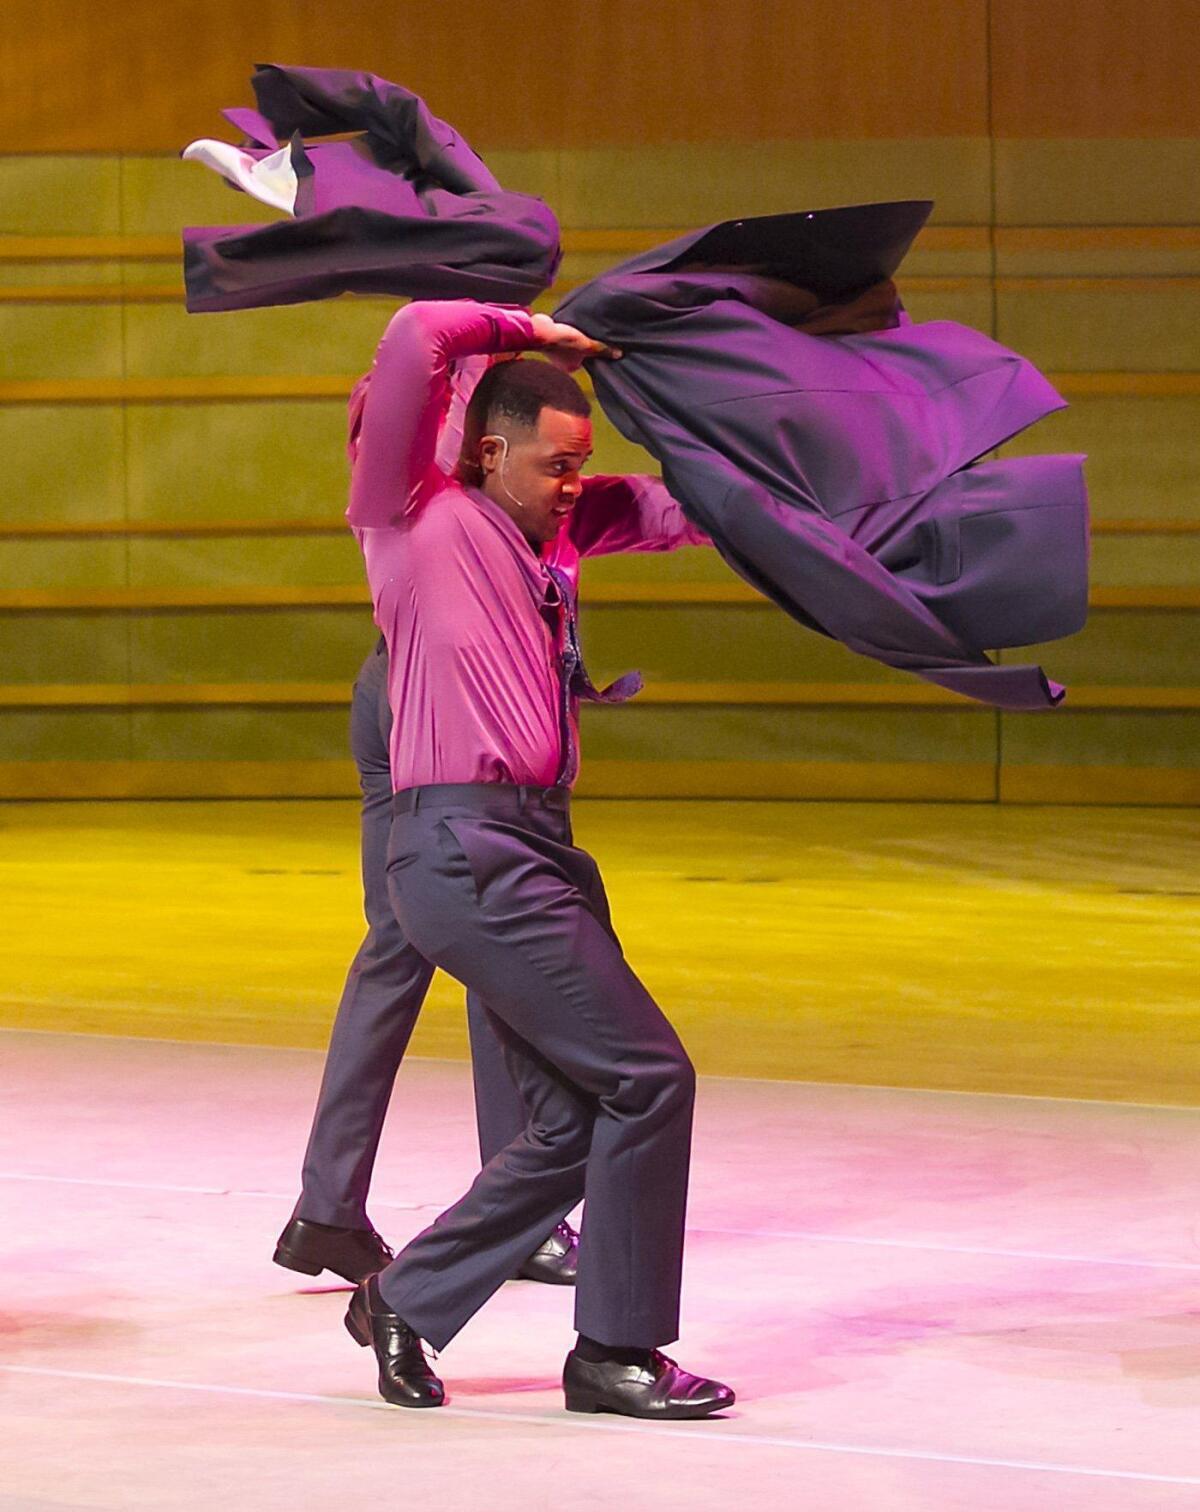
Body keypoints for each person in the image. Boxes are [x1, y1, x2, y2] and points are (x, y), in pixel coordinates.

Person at [338, 296, 734, 1420]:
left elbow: (673, 509)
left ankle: (405, 1297)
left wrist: (784, 503)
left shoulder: (544, 536)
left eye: (583, 465)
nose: (574, 483)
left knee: (572, 1123)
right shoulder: (410, 514)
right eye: (556, 463)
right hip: (465, 850)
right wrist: (526, 328)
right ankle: (612, 1353)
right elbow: (418, 334)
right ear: (487, 447)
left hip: (532, 849)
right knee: (649, 1077)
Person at [272, 632, 580, 1288]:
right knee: (507, 925)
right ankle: (521, 1212)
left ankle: (328, 1205)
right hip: (462, 688)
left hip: (389, 676)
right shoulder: (510, 528)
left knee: (394, 946)